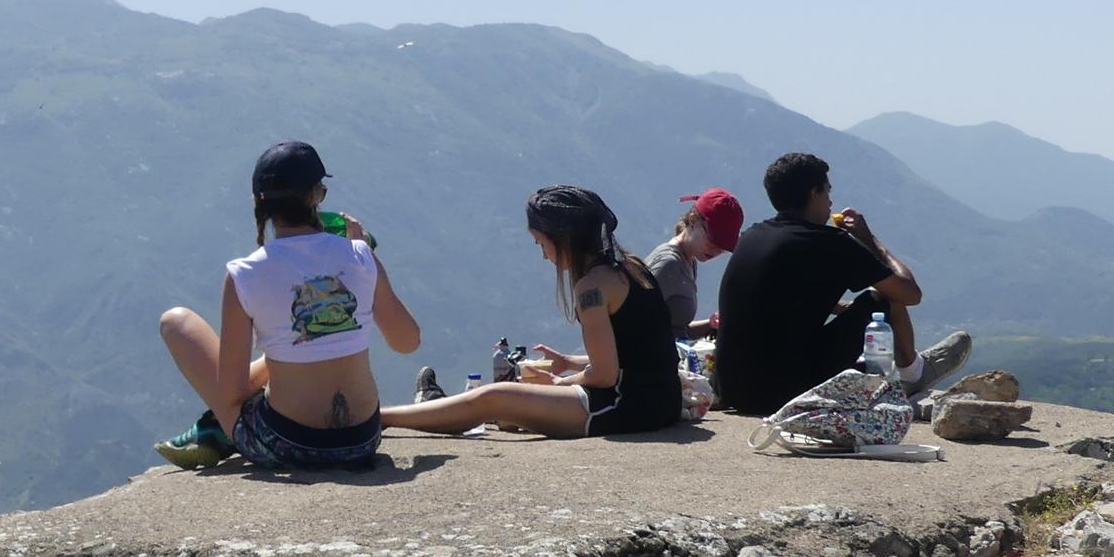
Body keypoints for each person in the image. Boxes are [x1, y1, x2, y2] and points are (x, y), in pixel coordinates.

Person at [153, 141, 422, 470]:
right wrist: (366, 256)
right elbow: (408, 342)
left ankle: (214, 430)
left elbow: (232, 392)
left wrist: (288, 343)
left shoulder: (244, 274)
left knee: (175, 321)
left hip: (290, 443)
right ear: (317, 196)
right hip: (362, 439)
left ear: (259, 204)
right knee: (288, 354)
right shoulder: (359, 255)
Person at [380, 186, 683, 440]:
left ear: (563, 239)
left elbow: (604, 376)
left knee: (493, 398)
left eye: (542, 243)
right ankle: (433, 408)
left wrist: (559, 383)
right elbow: (636, 353)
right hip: (661, 401)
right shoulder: (631, 267)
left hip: (625, 406)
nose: (543, 254)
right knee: (509, 410)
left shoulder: (592, 287)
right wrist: (571, 363)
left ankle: (381, 418)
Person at [714, 151, 971, 418]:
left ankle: (893, 370)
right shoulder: (831, 243)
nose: (830, 202)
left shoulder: (752, 236)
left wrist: (841, 309)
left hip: (735, 391)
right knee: (882, 300)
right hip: (785, 393)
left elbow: (781, 300)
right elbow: (909, 293)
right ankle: (914, 373)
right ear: (814, 193)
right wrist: (868, 239)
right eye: (827, 193)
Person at [642, 188, 742, 335]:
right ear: (693, 220)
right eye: (713, 241)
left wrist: (710, 325)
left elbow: (676, 330)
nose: (716, 250)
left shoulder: (689, 260)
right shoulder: (668, 264)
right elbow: (633, 320)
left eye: (723, 247)